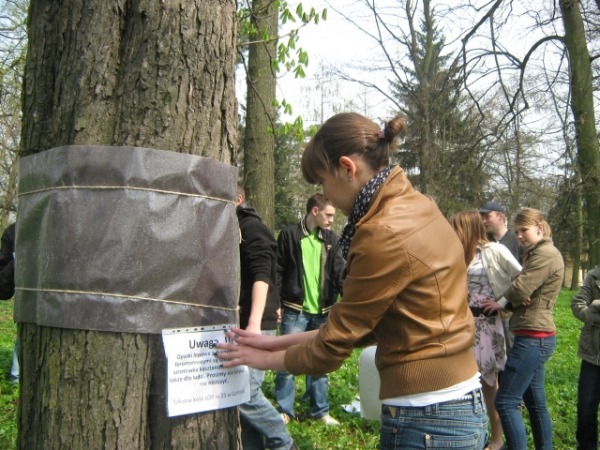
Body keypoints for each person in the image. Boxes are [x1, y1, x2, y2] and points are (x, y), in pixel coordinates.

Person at [217, 112, 488, 450]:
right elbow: (368, 325)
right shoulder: (417, 205)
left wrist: (257, 358)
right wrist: (271, 343)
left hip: (428, 417)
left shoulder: (383, 231)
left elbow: (332, 348)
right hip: (454, 404)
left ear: (347, 168)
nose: (325, 193)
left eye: (322, 182)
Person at [449, 210, 522, 450]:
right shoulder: (459, 254)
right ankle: (470, 432)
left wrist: (504, 303)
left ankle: (497, 438)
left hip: (488, 325)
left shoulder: (495, 250)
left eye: (457, 227)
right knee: (464, 381)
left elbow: (522, 279)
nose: (453, 231)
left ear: (468, 228)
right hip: (462, 325)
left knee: (489, 384)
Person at [494, 208, 564, 450]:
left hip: (533, 338)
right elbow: (521, 289)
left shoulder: (545, 255)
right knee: (535, 403)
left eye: (524, 230)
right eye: (516, 232)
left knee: (504, 402)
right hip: (535, 335)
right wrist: (517, 293)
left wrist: (508, 298)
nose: (520, 236)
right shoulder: (536, 254)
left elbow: (518, 289)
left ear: (539, 228)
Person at [274, 193, 345, 426]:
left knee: (321, 362)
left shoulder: (332, 239)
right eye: (329, 214)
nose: (332, 220)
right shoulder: (289, 235)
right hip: (295, 310)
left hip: (323, 312)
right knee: (287, 361)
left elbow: (339, 275)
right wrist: (275, 303)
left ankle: (320, 411)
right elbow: (278, 271)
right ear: (315, 211)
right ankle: (284, 409)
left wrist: (351, 303)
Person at [235, 185, 297, 450]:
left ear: (238, 199)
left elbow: (262, 274)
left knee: (244, 393)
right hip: (245, 324)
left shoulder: (250, 226)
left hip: (257, 324)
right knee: (242, 409)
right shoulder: (232, 227)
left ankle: (284, 444)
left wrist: (254, 323)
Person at [479, 201, 525, 356]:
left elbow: (523, 275)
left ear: (500, 216)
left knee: (510, 353)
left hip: (511, 310)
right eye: (482, 217)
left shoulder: (518, 240)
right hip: (487, 312)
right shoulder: (484, 243)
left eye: (487, 216)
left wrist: (505, 301)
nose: (483, 221)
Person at [571, 265, 600, 450]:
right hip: (592, 356)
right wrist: (596, 315)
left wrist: (596, 304)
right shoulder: (595, 275)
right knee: (586, 409)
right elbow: (577, 304)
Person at [0, 222, 18, 383]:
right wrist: (18, 263)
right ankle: (16, 377)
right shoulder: (13, 232)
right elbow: (2, 290)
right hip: (28, 313)